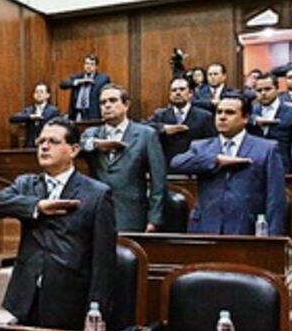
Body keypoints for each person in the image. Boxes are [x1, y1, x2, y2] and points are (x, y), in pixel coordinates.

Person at [0, 119, 117, 331]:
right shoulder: (26, 184)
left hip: (69, 298)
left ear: (73, 150)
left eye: (53, 141)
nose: (44, 147)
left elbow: (103, 258)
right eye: (41, 141)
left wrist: (96, 305)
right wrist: (36, 205)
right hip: (26, 296)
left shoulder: (97, 193)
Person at [171, 94, 287, 235]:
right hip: (205, 228)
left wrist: (273, 237)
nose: (222, 117)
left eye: (230, 112)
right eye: (219, 112)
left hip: (247, 228)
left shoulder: (267, 148)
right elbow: (176, 163)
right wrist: (216, 160)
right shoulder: (201, 147)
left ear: (245, 118)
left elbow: (275, 197)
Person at [80, 85, 167, 232]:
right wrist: (98, 144)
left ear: (126, 105)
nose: (107, 105)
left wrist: (154, 219)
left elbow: (158, 181)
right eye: (103, 102)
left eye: (113, 100)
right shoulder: (92, 133)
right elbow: (79, 146)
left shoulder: (146, 134)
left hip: (131, 212)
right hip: (97, 212)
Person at [146, 76, 217, 169]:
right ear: (170, 94)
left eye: (182, 89)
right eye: (174, 90)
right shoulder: (160, 115)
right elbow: (144, 127)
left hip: (195, 172)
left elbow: (211, 144)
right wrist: (163, 128)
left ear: (190, 93)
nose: (178, 93)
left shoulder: (205, 116)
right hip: (167, 171)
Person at [250, 72, 292, 174]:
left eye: (268, 89)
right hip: (254, 167)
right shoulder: (251, 113)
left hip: (282, 166)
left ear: (277, 90)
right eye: (259, 90)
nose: (263, 93)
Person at [59, 54, 110, 121]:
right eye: (87, 63)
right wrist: (79, 82)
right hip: (77, 114)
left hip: (93, 114)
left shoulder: (102, 79)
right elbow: (62, 84)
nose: (88, 66)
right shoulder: (77, 77)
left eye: (92, 64)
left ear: (96, 66)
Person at [9, 82, 59, 148]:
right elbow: (12, 118)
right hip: (30, 145)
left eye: (41, 92)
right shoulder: (28, 110)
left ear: (48, 95)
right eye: (36, 92)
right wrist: (30, 117)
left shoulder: (53, 110)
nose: (38, 94)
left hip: (47, 145)